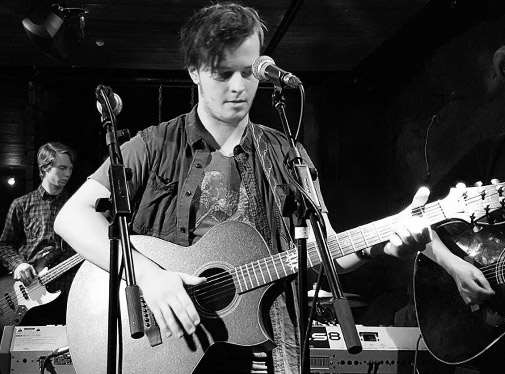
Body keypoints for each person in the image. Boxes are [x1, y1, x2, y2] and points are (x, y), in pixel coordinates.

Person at [54, 3, 432, 374]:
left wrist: (380, 242)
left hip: (265, 346)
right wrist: (149, 277)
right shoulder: (153, 145)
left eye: (248, 72)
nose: (238, 87)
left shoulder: (287, 154)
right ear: (195, 72)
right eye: (222, 73)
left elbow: (325, 255)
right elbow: (71, 218)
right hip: (167, 344)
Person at [0, 141, 78, 326]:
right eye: (61, 168)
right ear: (45, 168)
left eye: (70, 168)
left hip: (68, 296)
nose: (67, 174)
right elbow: (4, 244)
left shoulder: (78, 206)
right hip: (27, 294)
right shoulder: (21, 205)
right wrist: (18, 265)